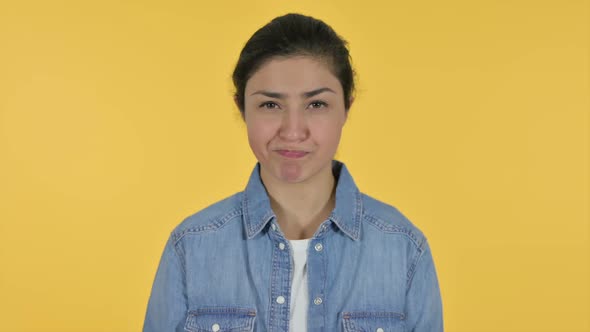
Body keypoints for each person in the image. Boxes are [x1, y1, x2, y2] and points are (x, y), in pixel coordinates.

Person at [143, 13, 443, 332]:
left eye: (316, 105)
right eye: (271, 105)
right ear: (242, 107)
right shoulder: (190, 247)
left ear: (347, 108)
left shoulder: (404, 248)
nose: (293, 131)